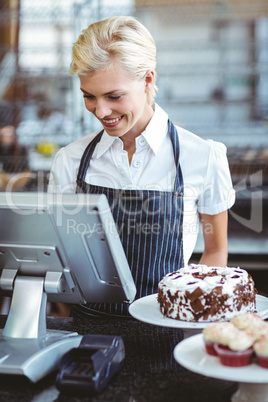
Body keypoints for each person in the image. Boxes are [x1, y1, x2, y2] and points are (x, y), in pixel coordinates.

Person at [48, 16, 235, 317]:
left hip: (168, 326)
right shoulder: (70, 160)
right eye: (89, 97)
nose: (101, 111)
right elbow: (60, 258)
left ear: (148, 80)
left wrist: (190, 314)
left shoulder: (202, 156)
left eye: (114, 96)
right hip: (87, 333)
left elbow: (215, 251)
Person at [0, 123, 30, 191]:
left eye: (8, 135)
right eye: (4, 135)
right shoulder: (1, 148)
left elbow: (26, 167)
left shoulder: (21, 149)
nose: (6, 138)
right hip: (3, 176)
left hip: (19, 175)